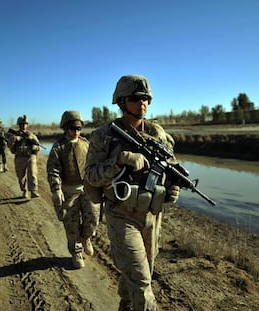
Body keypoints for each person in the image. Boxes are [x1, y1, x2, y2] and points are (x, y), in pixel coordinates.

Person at [85, 74, 180, 311]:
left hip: (151, 217)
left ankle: (125, 305)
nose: (143, 104)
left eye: (146, 99)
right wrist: (119, 160)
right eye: (137, 99)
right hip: (121, 216)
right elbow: (91, 176)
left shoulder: (159, 134)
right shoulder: (103, 135)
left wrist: (173, 186)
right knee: (142, 281)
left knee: (144, 269)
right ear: (121, 101)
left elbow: (172, 167)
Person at [47, 111, 100, 269]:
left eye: (79, 128)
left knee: (93, 220)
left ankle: (86, 238)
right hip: (68, 192)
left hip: (88, 190)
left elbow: (94, 165)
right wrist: (56, 189)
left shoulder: (86, 144)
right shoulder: (58, 147)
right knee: (71, 226)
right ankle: (76, 252)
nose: (76, 131)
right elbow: (53, 170)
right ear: (65, 127)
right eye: (72, 128)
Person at [7, 115, 40, 199]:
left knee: (32, 173)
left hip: (30, 157)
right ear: (19, 125)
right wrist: (13, 140)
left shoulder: (31, 135)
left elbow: (38, 146)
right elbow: (11, 148)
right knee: (21, 176)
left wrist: (33, 144)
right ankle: (24, 191)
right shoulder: (14, 135)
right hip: (19, 157)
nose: (24, 126)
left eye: (25, 124)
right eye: (22, 124)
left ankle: (33, 191)